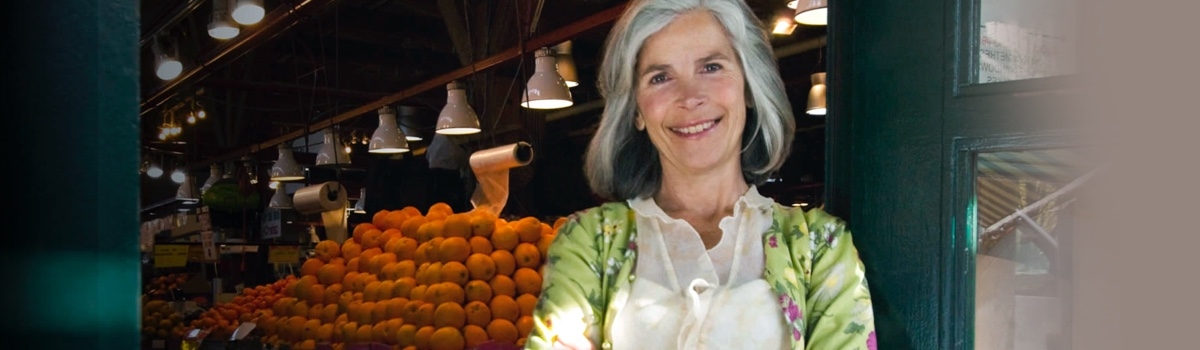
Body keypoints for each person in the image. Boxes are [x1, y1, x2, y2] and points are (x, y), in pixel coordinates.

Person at [525, 0, 876, 349]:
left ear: (750, 88)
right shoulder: (589, 243)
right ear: (636, 111)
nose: (690, 97)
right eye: (660, 77)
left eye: (711, 67)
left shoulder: (820, 247)